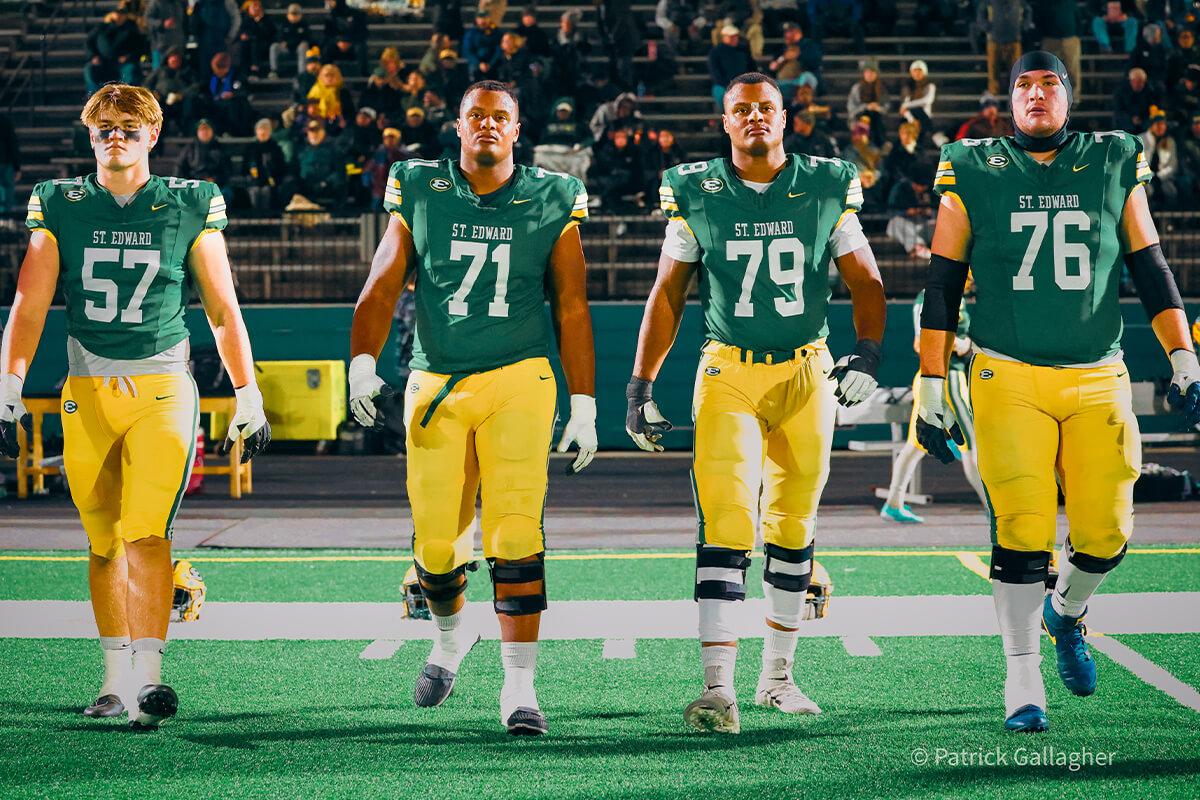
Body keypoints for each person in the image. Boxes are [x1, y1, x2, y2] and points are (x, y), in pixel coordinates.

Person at [916, 52, 1200, 734]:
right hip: (1006, 371)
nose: (1036, 95)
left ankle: (1065, 612)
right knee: (1022, 527)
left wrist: (1183, 353)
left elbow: (1150, 265)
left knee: (1107, 529)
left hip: (1098, 370)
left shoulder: (1110, 158)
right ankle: (1022, 677)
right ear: (1007, 103)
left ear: (1069, 98)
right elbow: (942, 282)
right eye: (1023, 86)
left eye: (1049, 84)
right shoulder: (972, 166)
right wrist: (930, 382)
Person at [0, 84, 270, 731]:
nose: (115, 137)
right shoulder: (60, 202)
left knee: (147, 533)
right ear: (89, 136)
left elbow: (221, 307)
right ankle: (115, 679)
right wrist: (9, 386)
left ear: (152, 134)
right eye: (103, 129)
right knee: (102, 543)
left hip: (161, 389)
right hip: (87, 391)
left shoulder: (188, 202)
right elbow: (30, 303)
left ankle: (149, 680)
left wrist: (246, 391)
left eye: (127, 127)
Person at [627, 72, 886, 734]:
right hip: (729, 371)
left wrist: (868, 352)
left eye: (764, 108)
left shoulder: (827, 183)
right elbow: (667, 293)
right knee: (728, 525)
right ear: (724, 121)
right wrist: (640, 383)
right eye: (740, 110)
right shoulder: (697, 190)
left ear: (786, 117)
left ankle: (777, 679)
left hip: (808, 371)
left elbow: (865, 280)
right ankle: (719, 691)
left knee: (794, 527)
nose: (753, 118)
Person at [347, 80, 597, 736]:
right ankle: (452, 640)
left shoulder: (552, 196)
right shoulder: (420, 187)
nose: (487, 125)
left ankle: (520, 688)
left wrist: (585, 400)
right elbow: (381, 283)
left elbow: (572, 304)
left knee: (515, 532)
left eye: (500, 117)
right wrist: (362, 363)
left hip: (519, 376)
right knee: (436, 546)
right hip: (437, 382)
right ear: (457, 127)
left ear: (518, 129)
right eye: (475, 116)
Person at [880, 284, 984, 523]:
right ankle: (995, 508)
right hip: (945, 378)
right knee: (971, 444)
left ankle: (893, 503)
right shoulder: (935, 294)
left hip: (934, 377)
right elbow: (922, 343)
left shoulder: (954, 295)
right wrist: (961, 345)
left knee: (915, 446)